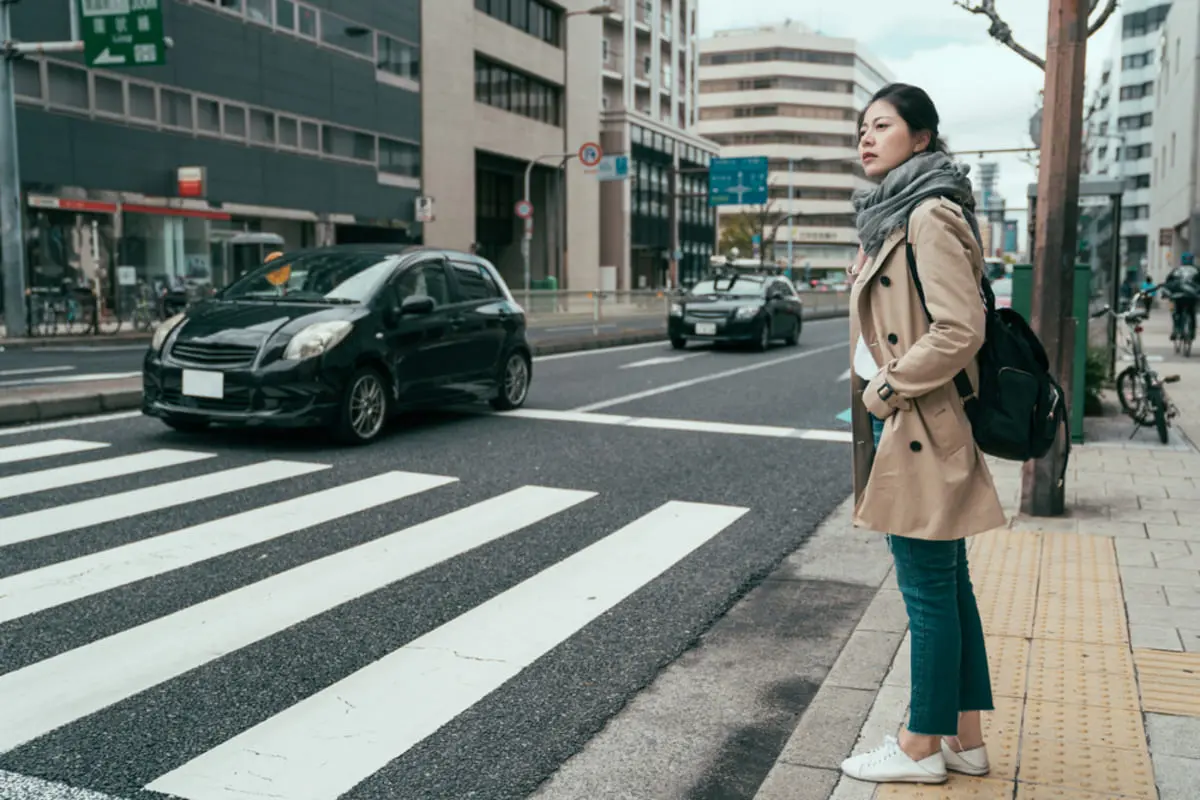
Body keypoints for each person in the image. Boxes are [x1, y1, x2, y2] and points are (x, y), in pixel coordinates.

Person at [841, 83, 1007, 785]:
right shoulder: (899, 213)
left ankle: (918, 747)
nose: (867, 138)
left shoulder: (929, 214)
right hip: (919, 420)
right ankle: (964, 738)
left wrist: (886, 388)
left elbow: (960, 328)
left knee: (928, 593)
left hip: (918, 422)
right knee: (950, 584)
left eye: (882, 125)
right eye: (861, 129)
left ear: (924, 138)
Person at [1162, 254, 1200, 343]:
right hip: (1191, 297)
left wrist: (1166, 293)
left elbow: (1168, 282)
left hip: (1178, 297)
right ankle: (1192, 331)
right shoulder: (1197, 270)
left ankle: (1176, 329)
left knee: (1176, 312)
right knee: (1191, 313)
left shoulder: (1177, 270)